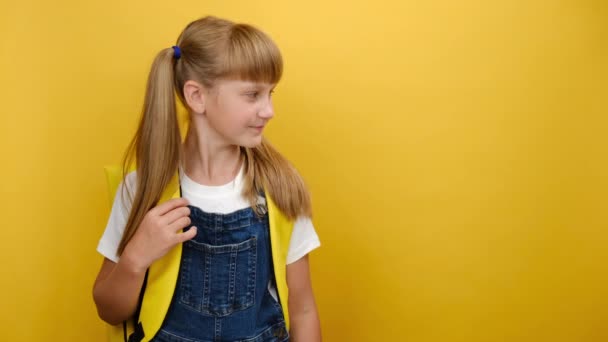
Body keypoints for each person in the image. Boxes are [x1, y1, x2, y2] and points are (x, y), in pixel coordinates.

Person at [93, 15, 322, 342]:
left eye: (271, 93)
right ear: (196, 96)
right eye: (252, 94)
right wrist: (135, 258)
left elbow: (303, 309)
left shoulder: (279, 187)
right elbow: (109, 310)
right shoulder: (144, 189)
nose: (269, 110)